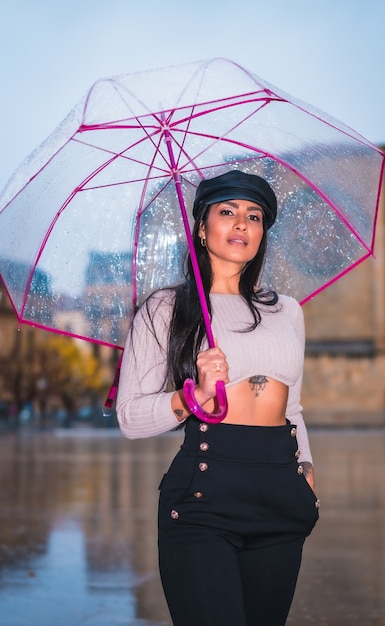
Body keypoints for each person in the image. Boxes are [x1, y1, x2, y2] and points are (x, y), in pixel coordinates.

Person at [116, 170, 319, 626]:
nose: (241, 225)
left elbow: (293, 409)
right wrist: (193, 397)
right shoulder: (165, 308)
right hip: (205, 495)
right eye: (226, 212)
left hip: (281, 493)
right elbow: (129, 419)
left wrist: (306, 472)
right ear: (202, 229)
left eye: (254, 216)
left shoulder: (286, 310)